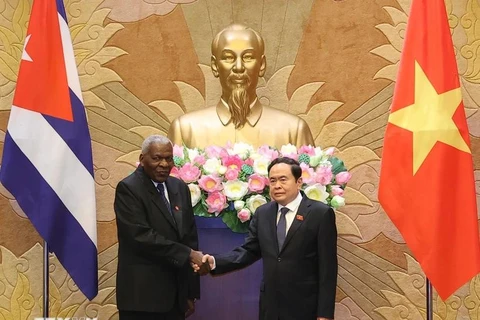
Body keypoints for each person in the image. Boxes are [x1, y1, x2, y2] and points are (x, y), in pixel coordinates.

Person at [196, 157, 338, 320]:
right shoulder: (263, 213)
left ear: (299, 182)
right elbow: (248, 251)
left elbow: (328, 269)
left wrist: (325, 314)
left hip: (305, 307)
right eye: (273, 180)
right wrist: (215, 261)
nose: (277, 185)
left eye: (283, 180)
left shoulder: (320, 213)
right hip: (270, 307)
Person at [168, 24, 315, 149]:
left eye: (248, 57)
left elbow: (309, 182)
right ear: (215, 66)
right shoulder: (185, 130)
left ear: (262, 65)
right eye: (228, 58)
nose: (238, 67)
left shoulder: (294, 131)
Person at [114, 134, 207, 320]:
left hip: (175, 299)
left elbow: (189, 237)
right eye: (157, 158)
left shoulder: (179, 187)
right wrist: (188, 254)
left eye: (168, 158)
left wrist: (190, 292)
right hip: (142, 299)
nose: (164, 164)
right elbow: (141, 237)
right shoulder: (129, 188)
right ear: (142, 159)